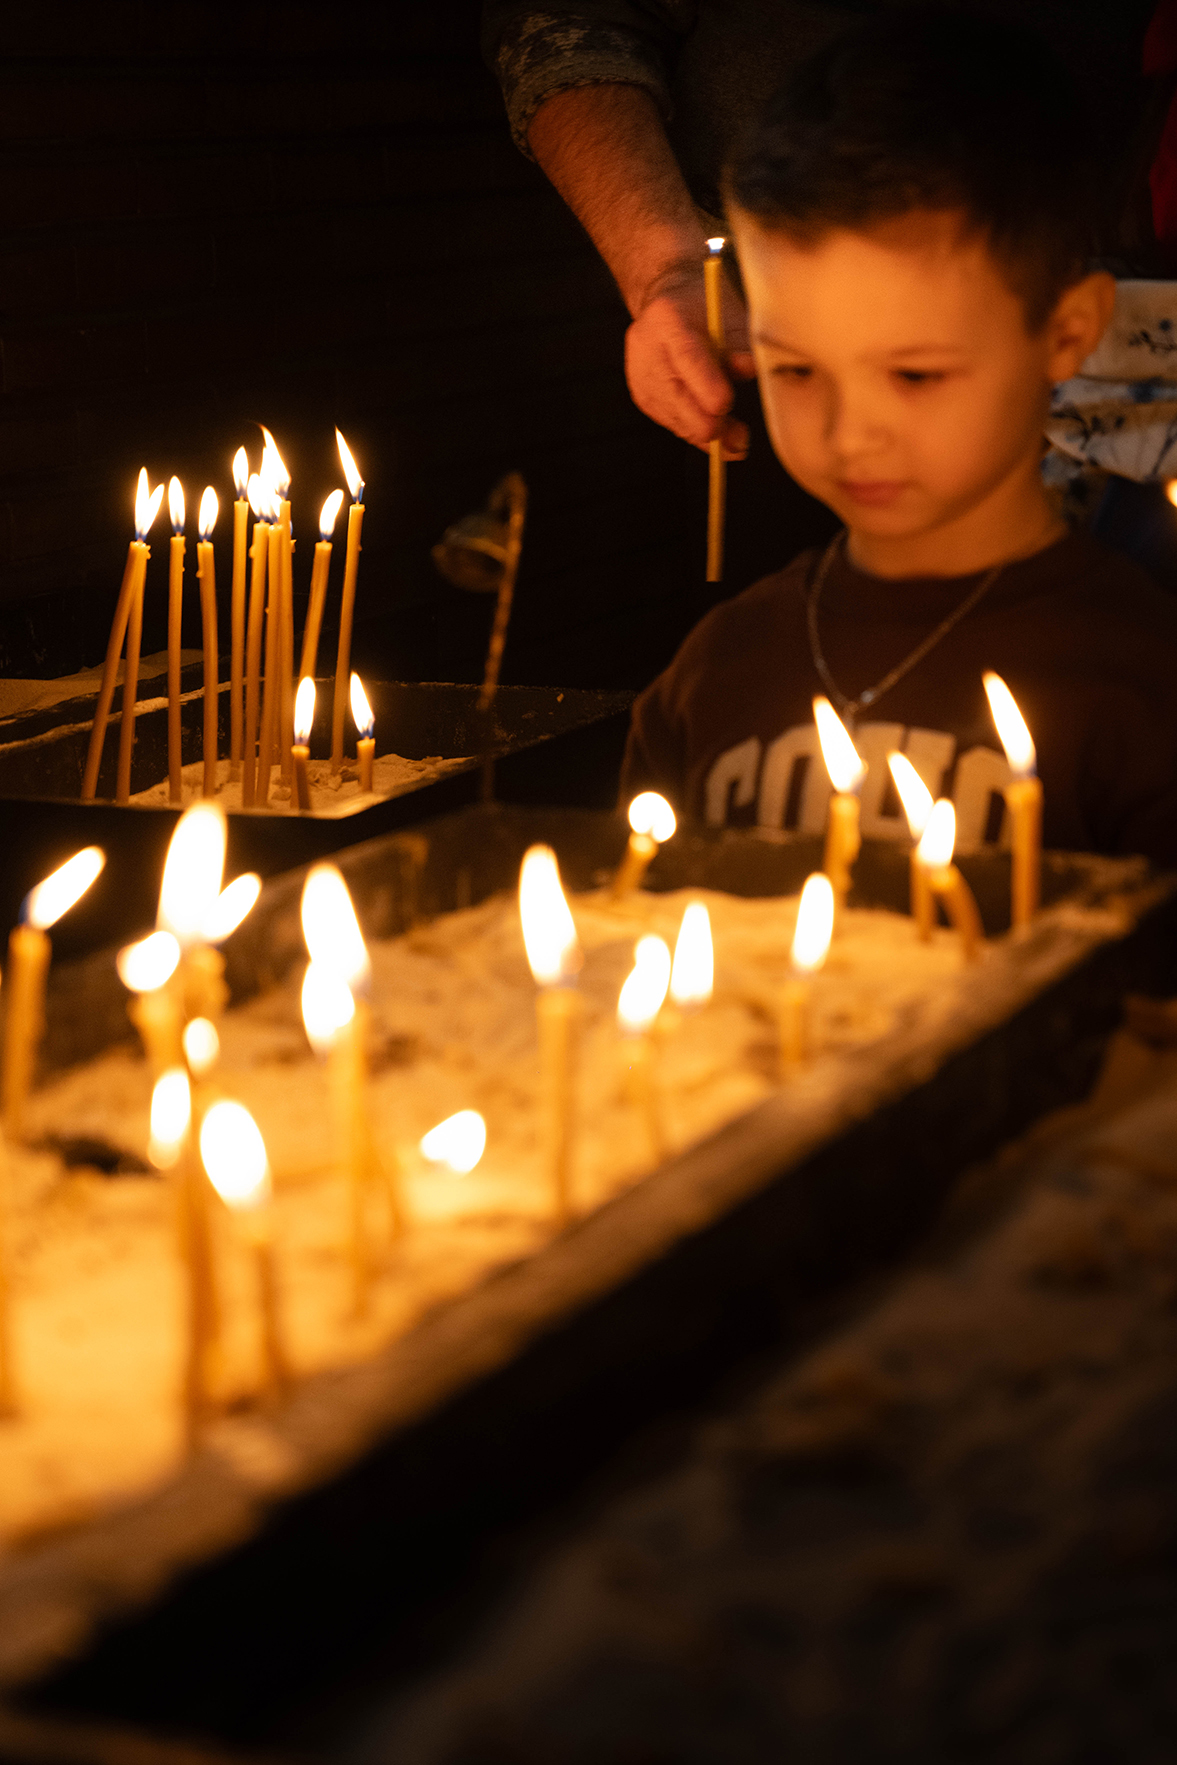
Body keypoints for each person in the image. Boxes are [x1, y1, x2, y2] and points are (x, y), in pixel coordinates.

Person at [619, 10, 1177, 867]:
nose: (849, 434)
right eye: (796, 371)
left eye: (914, 375)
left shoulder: (1138, 683)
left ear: (1066, 333)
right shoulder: (715, 675)